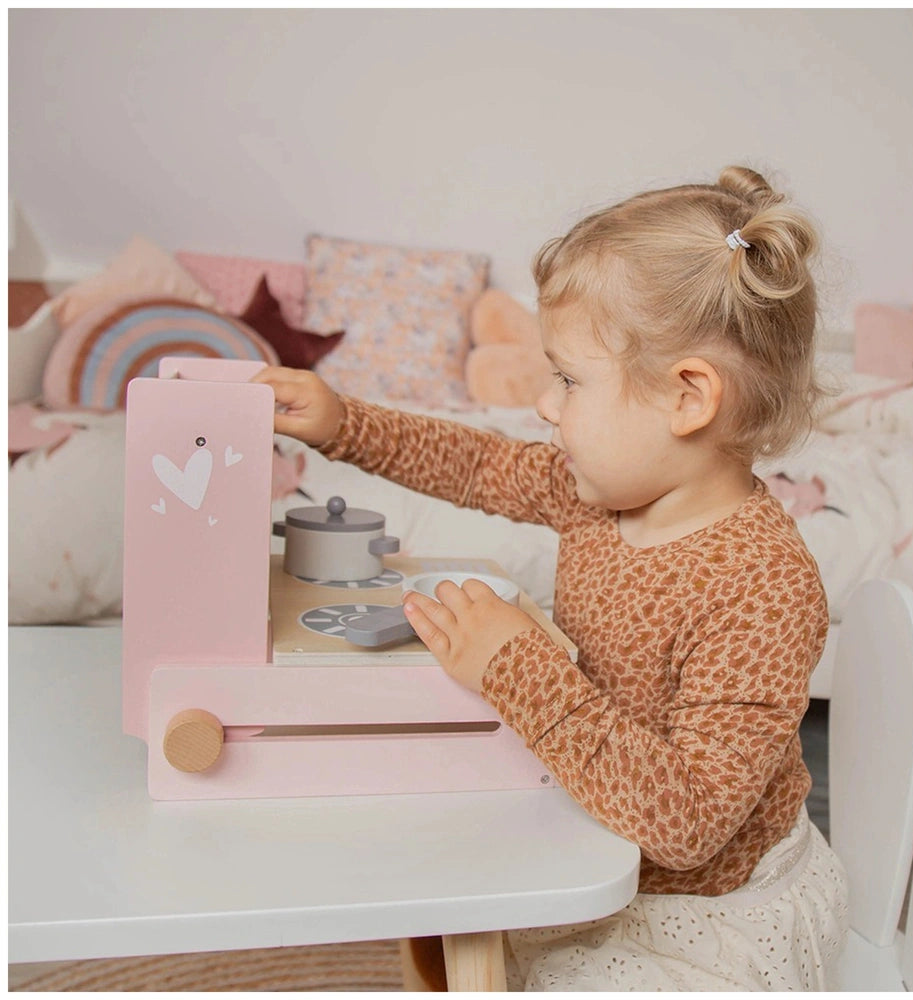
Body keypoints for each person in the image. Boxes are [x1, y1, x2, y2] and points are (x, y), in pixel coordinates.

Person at [253, 165, 848, 991]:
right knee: (431, 882)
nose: (544, 403)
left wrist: (517, 666)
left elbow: (688, 823)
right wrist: (343, 423)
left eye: (568, 379)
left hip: (702, 910)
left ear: (687, 399)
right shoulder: (597, 496)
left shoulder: (763, 588)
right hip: (598, 823)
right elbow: (477, 464)